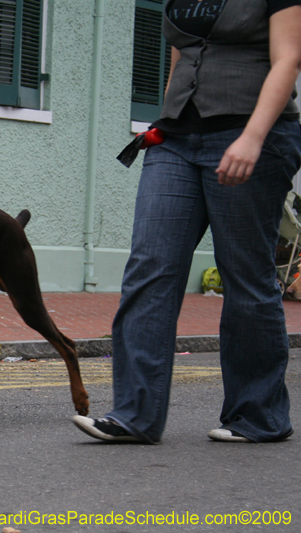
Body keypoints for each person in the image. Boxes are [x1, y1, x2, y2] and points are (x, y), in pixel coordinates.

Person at [73, 0, 301, 443]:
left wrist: (253, 138)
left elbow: (289, 57)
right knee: (149, 267)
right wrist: (166, 121)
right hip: (177, 139)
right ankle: (134, 415)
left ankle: (258, 415)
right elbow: (180, 60)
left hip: (251, 133)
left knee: (246, 276)